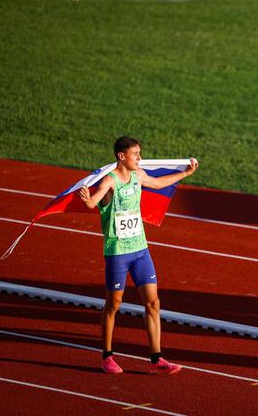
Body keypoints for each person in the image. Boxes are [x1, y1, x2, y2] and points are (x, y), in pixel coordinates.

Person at [79, 136, 198, 374]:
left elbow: (158, 183)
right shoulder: (109, 181)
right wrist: (88, 200)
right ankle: (107, 356)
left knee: (153, 303)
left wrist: (185, 174)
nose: (140, 158)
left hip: (140, 250)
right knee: (114, 304)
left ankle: (156, 358)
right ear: (121, 156)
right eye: (136, 154)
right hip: (118, 253)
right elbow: (94, 201)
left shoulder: (138, 175)